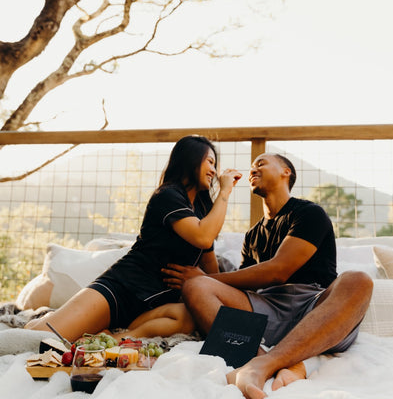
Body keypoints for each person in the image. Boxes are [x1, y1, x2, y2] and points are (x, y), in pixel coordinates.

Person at [162, 152, 373, 399]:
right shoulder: (252, 235)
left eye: (261, 164)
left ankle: (264, 364)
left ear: (287, 173)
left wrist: (209, 278)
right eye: (251, 167)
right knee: (196, 287)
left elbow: (277, 271)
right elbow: (247, 282)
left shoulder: (309, 214)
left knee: (358, 279)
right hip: (267, 307)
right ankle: (262, 358)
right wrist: (200, 278)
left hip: (315, 308)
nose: (253, 170)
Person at [25, 135, 242, 342]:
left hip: (152, 306)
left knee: (189, 315)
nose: (214, 170)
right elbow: (203, 237)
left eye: (216, 164)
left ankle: (115, 337)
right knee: (43, 336)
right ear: (190, 159)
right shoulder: (168, 196)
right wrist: (225, 191)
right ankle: (43, 321)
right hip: (121, 290)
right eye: (210, 162)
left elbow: (210, 267)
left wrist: (199, 279)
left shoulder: (203, 211)